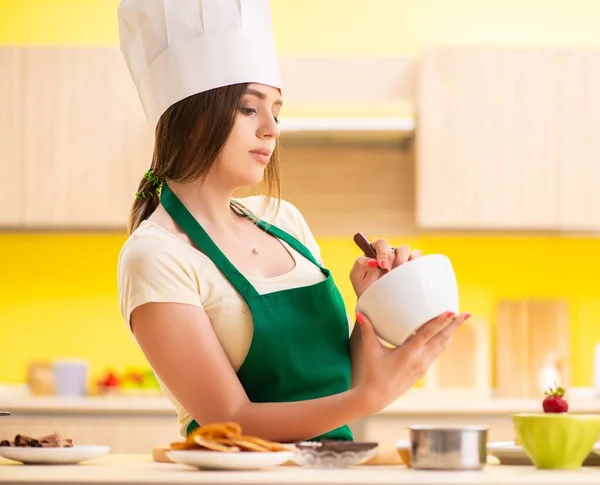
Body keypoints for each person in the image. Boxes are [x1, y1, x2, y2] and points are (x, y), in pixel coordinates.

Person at [116, 0, 470, 443]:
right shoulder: (156, 255)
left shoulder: (283, 220)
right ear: (191, 118)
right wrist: (372, 398)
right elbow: (228, 419)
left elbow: (341, 382)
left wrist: (376, 304)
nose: (272, 128)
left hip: (329, 467)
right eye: (249, 109)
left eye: (277, 111)